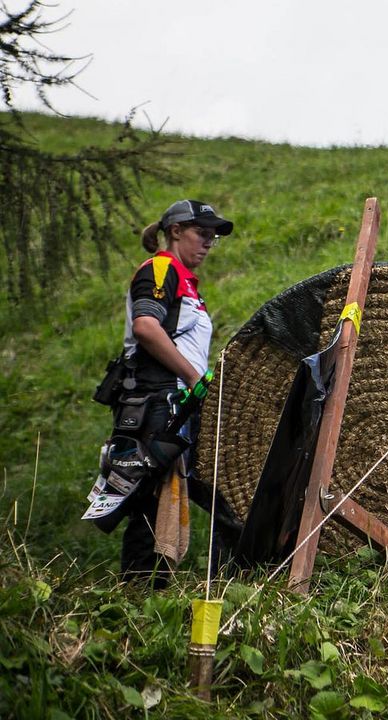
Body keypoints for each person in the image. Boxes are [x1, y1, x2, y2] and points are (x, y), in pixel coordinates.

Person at [115, 200, 233, 587]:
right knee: (150, 504)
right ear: (176, 230)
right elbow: (147, 327)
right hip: (157, 402)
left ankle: (168, 590)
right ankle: (138, 599)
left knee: (183, 497)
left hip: (174, 402)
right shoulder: (161, 268)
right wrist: (195, 378)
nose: (207, 244)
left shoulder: (183, 280)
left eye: (212, 240)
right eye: (202, 234)